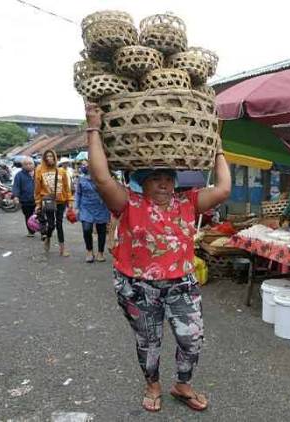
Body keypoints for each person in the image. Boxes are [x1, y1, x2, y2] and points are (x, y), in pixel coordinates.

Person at [85, 102, 231, 413]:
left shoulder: (187, 202)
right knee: (148, 341)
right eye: (156, 178)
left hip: (182, 284)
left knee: (192, 338)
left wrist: (218, 149)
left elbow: (222, 189)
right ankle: (152, 384)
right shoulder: (129, 203)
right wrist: (94, 127)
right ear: (143, 182)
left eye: (168, 177)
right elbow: (101, 178)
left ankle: (182, 383)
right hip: (138, 287)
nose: (164, 183)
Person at [34, 149, 74, 256]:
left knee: (60, 224)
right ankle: (48, 237)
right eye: (47, 156)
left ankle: (62, 249)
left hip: (61, 201)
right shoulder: (39, 170)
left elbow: (67, 188)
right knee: (51, 225)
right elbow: (37, 189)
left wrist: (70, 200)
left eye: (51, 156)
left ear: (55, 157)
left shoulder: (62, 171)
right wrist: (38, 204)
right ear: (44, 158)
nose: (49, 158)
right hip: (48, 201)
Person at [75, 160, 111, 263]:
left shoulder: (102, 177)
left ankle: (100, 252)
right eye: (83, 165)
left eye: (86, 164)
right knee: (86, 229)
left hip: (101, 207)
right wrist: (76, 207)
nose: (84, 166)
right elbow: (78, 193)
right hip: (86, 207)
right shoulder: (81, 179)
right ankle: (89, 251)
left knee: (102, 231)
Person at [13, 157, 36, 237]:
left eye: (30, 163)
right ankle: (30, 231)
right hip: (26, 200)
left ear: (34, 164)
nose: (28, 166)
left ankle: (43, 231)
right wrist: (16, 196)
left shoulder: (39, 173)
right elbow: (16, 187)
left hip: (38, 199)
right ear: (22, 166)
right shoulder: (19, 175)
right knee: (28, 216)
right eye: (26, 164)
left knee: (41, 215)